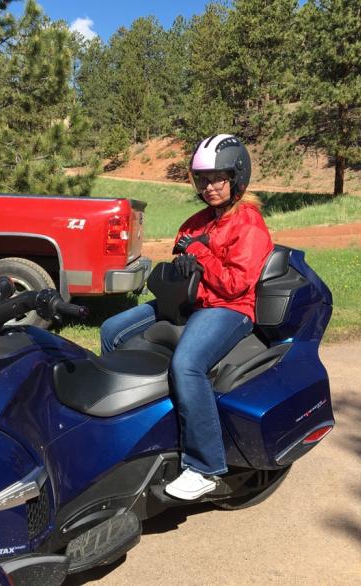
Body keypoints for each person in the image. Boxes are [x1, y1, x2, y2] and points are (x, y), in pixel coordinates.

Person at [99, 134, 274, 500]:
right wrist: (182, 264)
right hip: (189, 303)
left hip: (229, 309)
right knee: (112, 330)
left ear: (237, 177)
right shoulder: (196, 221)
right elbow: (183, 259)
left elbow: (234, 284)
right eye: (202, 180)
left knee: (188, 364)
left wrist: (200, 254)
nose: (209, 187)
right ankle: (117, 426)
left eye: (217, 178)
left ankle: (205, 466)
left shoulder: (249, 225)